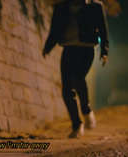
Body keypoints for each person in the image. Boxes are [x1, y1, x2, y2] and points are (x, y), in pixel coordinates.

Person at [42, 0, 109, 138]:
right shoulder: (61, 7)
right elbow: (54, 30)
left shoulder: (95, 7)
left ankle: (86, 110)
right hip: (68, 49)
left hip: (86, 50)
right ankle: (77, 124)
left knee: (77, 79)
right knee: (67, 90)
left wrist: (104, 52)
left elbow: (103, 30)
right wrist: (48, 47)